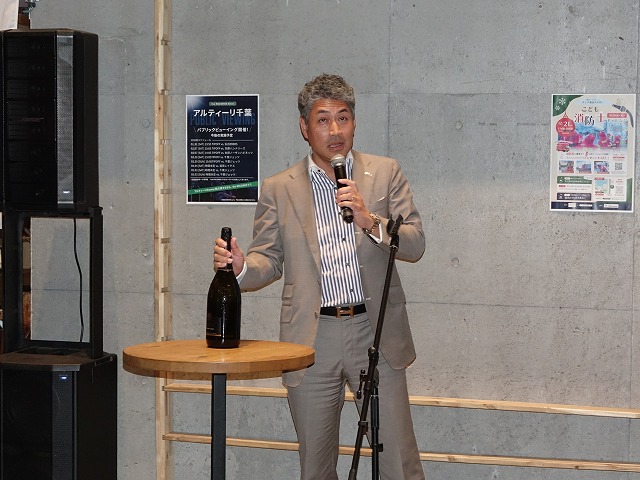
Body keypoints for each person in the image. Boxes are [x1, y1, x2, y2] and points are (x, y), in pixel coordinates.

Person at [213, 73, 425, 480]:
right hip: (311, 336)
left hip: (375, 330)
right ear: (305, 127)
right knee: (315, 465)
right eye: (323, 120)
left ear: (354, 123)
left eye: (343, 118)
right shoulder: (279, 187)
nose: (335, 130)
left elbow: (414, 244)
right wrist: (241, 268)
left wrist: (369, 220)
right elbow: (267, 259)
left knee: (398, 462)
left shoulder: (385, 172)